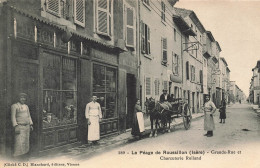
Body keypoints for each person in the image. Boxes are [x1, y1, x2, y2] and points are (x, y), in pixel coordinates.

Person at [11, 93, 33, 161]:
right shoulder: (14, 106)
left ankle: (24, 156)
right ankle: (18, 158)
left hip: (27, 127)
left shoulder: (26, 106)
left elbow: (29, 116)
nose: (23, 99)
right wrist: (15, 126)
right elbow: (13, 117)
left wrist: (31, 124)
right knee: (19, 143)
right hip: (20, 127)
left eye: (24, 98)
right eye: (21, 97)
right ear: (18, 98)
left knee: (26, 142)